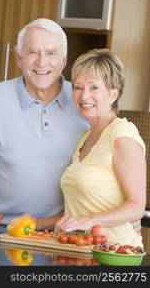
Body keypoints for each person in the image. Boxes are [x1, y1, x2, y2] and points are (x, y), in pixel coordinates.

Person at [0, 18, 89, 229]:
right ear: (19, 58)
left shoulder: (82, 102)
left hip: (55, 233)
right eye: (33, 52)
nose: (42, 62)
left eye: (51, 53)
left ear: (64, 60)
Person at [55, 49, 146, 246]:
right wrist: (38, 222)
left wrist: (89, 221)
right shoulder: (85, 138)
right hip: (83, 251)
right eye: (78, 87)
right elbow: (79, 212)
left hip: (115, 254)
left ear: (114, 93)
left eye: (94, 87)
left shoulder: (122, 134)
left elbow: (136, 206)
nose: (83, 95)